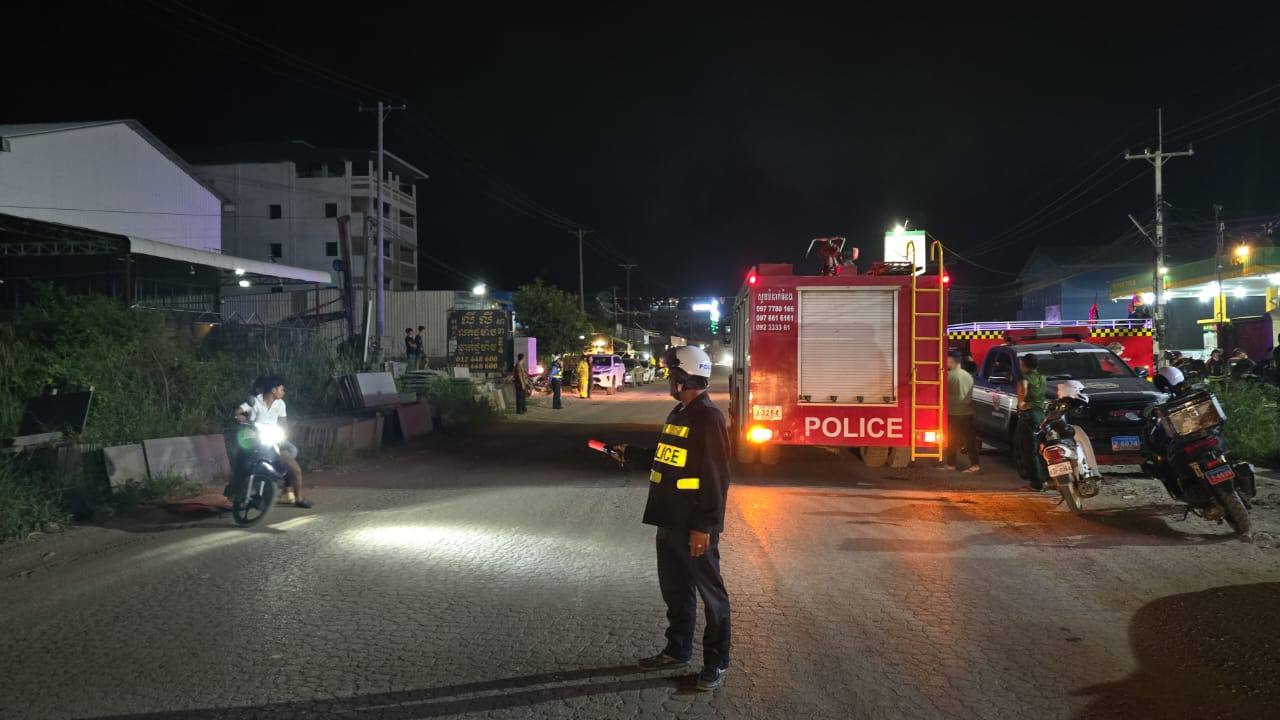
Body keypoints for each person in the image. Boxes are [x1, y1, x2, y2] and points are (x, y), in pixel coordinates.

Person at [616, 346, 732, 691]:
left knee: (711, 595)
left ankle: (716, 662)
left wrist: (705, 527)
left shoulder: (708, 417)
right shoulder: (679, 412)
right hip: (668, 519)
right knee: (676, 591)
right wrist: (631, 454)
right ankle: (677, 649)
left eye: (671, 374)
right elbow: (666, 457)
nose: (669, 379)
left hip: (692, 524)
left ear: (684, 377)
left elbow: (716, 477)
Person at [234, 375, 311, 508]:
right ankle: (241, 489)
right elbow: (238, 412)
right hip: (254, 439)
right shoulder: (254, 401)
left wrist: (282, 432)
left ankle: (296, 497)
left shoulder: (280, 404)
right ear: (274, 390)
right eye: (282, 389)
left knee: (295, 464)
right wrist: (241, 418)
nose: (283, 392)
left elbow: (283, 422)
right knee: (243, 460)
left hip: (272, 439)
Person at [1015, 353, 1048, 491]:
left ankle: (1036, 483)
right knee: (1038, 450)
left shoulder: (1024, 377)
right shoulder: (1042, 378)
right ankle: (1043, 480)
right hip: (1040, 414)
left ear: (1024, 364)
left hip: (1028, 415)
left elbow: (1023, 387)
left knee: (1028, 451)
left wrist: (1020, 404)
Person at [944, 352, 979, 473]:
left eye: (947, 360)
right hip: (968, 411)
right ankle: (975, 464)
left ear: (952, 361)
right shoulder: (968, 376)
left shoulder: (948, 376)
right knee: (970, 440)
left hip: (954, 412)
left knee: (952, 439)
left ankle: (951, 464)